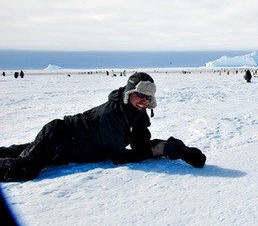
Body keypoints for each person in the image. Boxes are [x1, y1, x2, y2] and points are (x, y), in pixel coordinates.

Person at [0, 72, 206, 182]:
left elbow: (141, 145)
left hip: (70, 148)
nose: (143, 101)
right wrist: (157, 150)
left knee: (14, 152)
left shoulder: (137, 114)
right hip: (59, 138)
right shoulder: (112, 115)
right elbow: (119, 155)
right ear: (128, 93)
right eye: (140, 95)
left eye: (148, 97)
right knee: (24, 169)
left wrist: (177, 149)